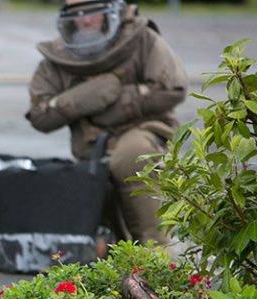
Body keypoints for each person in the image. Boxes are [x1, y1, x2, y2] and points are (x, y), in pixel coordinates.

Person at [26, 0, 187, 244]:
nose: (86, 21)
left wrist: (117, 103)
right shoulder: (58, 57)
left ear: (113, 12)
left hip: (143, 131)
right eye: (76, 15)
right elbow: (39, 116)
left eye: (93, 13)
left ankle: (156, 251)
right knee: (90, 183)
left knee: (132, 156)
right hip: (91, 146)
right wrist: (86, 97)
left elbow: (172, 88)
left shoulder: (141, 38)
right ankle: (113, 262)